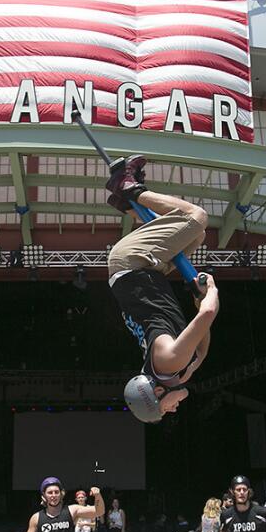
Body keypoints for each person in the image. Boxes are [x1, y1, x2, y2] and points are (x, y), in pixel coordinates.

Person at [106, 156, 219, 423]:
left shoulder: (170, 362)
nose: (173, 410)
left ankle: (129, 187)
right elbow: (200, 337)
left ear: (158, 392)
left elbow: (207, 314)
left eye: (165, 408)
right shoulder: (169, 368)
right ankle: (129, 206)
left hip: (132, 262)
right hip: (145, 274)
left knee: (197, 218)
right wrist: (198, 358)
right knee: (196, 236)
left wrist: (210, 291)